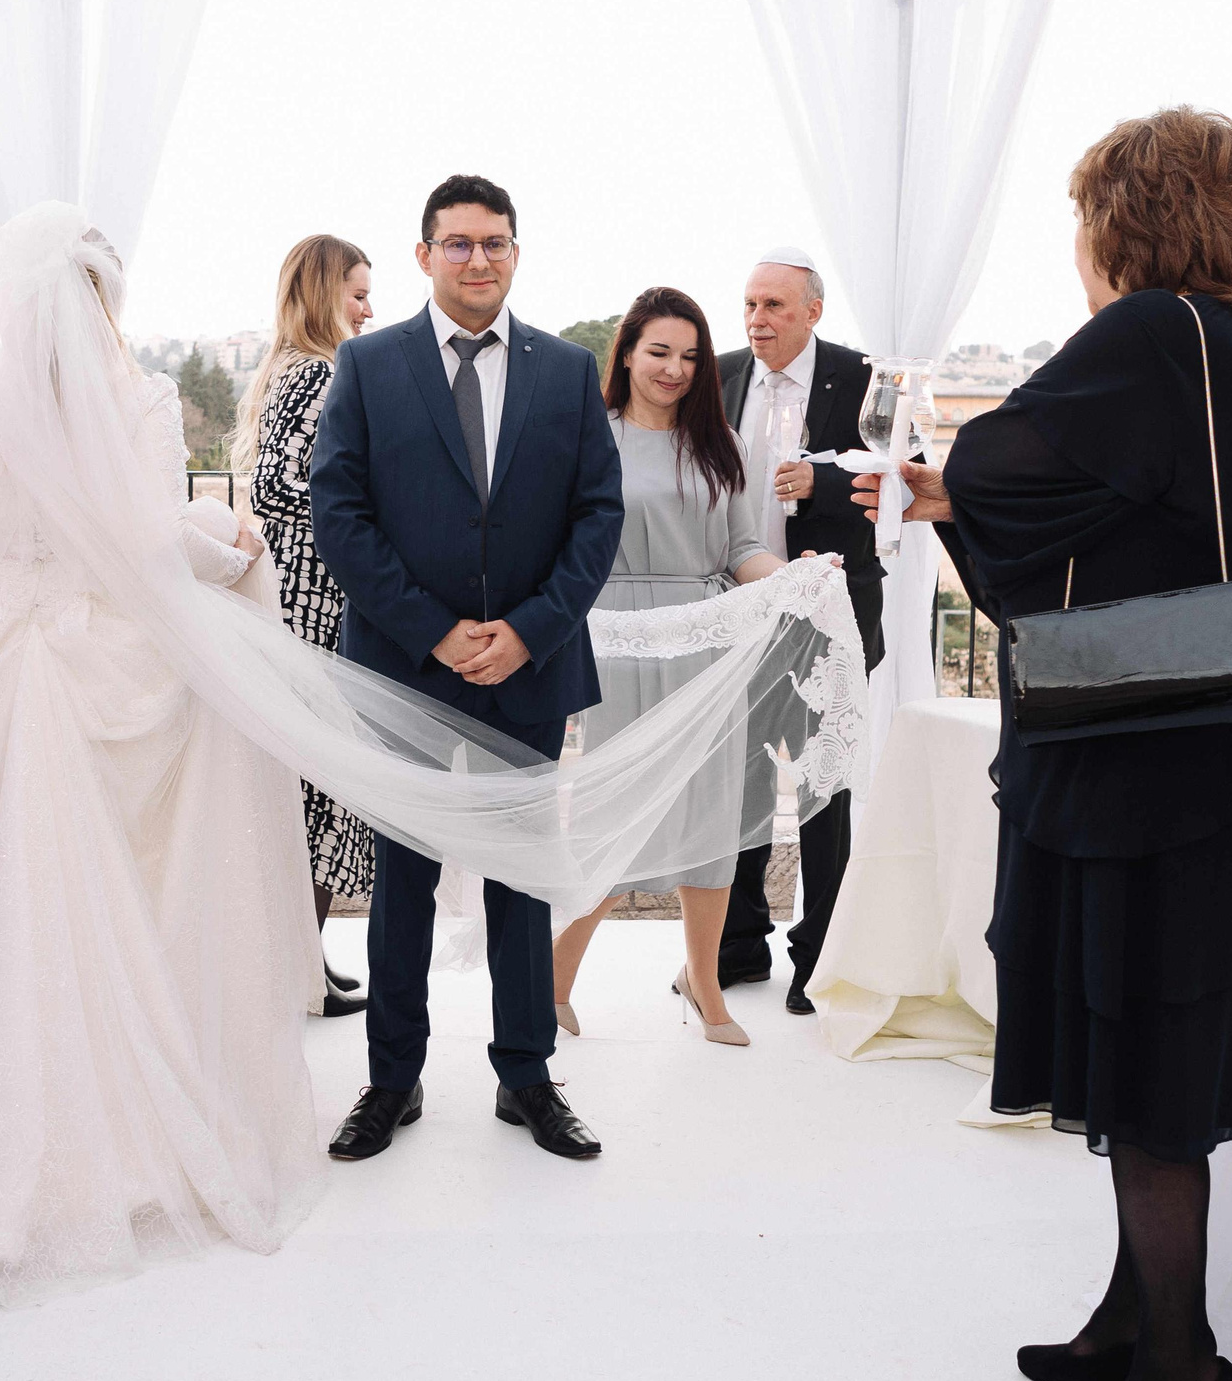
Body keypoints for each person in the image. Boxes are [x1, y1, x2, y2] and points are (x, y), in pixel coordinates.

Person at [863, 108, 1232, 1381]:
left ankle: (1183, 1370)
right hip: (1193, 733)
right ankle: (1137, 1310)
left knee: (1150, 1044)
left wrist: (945, 482)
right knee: (1142, 1027)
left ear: (1126, 215)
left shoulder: (1154, 330)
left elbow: (1008, 451)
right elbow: (1128, 506)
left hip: (1136, 754)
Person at [0, 205, 321, 1305]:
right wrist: (232, 541)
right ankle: (114, 1159)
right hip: (94, 665)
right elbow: (149, 538)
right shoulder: (138, 400)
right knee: (110, 915)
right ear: (103, 302)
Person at [310, 173, 623, 1162]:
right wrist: (433, 631)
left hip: (529, 670)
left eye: (494, 243)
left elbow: (597, 514)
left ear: (515, 254)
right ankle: (389, 1080)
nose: (477, 259)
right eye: (458, 243)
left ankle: (526, 1076)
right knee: (400, 878)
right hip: (404, 670)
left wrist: (528, 630)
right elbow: (339, 514)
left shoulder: (569, 372)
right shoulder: (367, 364)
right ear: (423, 255)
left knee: (521, 879)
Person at [550, 287, 785, 1048]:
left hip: (709, 644)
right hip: (619, 643)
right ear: (625, 353)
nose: (676, 368)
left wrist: (790, 577)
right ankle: (552, 981)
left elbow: (741, 547)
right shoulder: (590, 438)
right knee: (617, 817)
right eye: (660, 351)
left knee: (710, 820)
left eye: (691, 356)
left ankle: (704, 980)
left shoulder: (721, 443)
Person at [716, 248, 884, 1013]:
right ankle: (739, 944)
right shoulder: (717, 376)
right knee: (741, 778)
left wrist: (827, 484)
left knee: (823, 784)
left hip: (832, 613)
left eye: (774, 306)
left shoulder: (859, 376)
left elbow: (902, 480)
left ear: (813, 310)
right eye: (750, 305)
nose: (757, 320)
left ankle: (820, 958)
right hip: (740, 610)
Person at [237, 233, 378, 1018]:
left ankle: (306, 956)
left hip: (304, 590)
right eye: (357, 292)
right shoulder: (318, 373)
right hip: (313, 600)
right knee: (318, 781)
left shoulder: (293, 370)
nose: (369, 306)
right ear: (324, 292)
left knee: (312, 783)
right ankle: (299, 970)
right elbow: (284, 483)